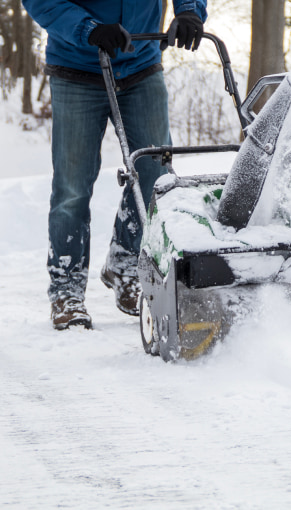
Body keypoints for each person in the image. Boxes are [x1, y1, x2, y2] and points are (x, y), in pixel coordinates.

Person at [22, 0, 207, 330]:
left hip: (141, 63)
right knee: (72, 188)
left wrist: (189, 10)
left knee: (155, 176)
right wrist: (88, 29)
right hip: (77, 67)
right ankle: (66, 291)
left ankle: (124, 264)